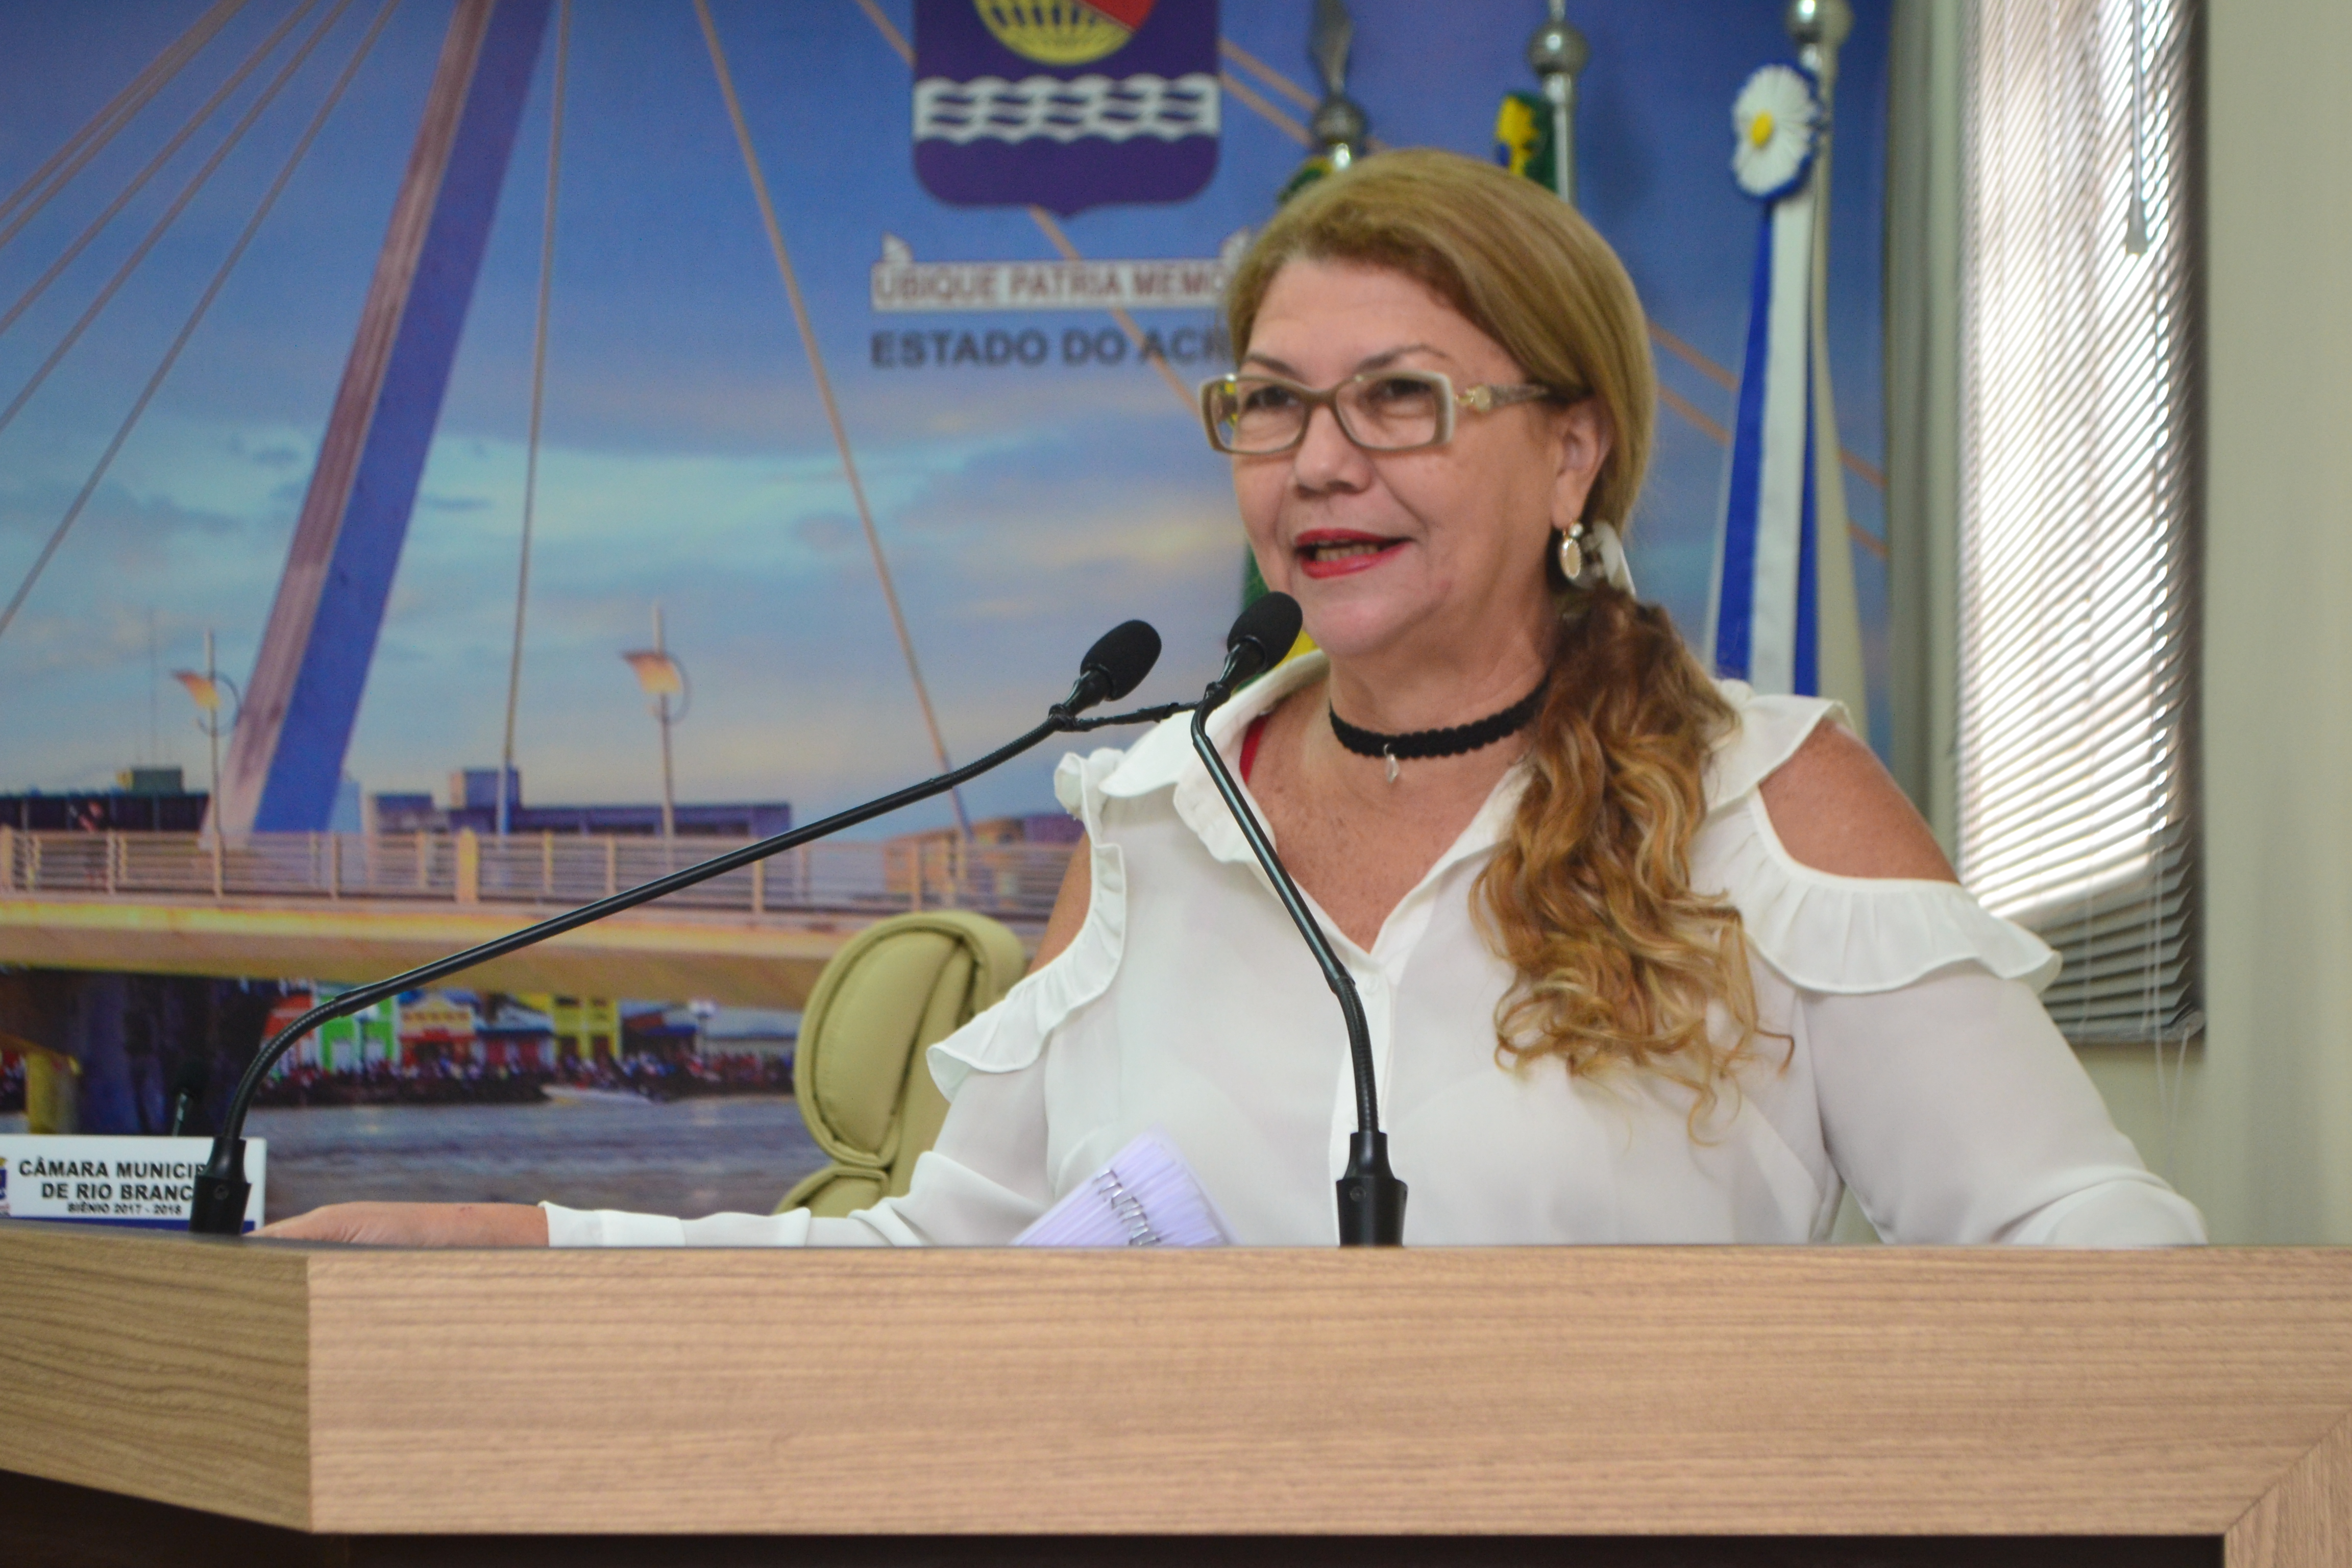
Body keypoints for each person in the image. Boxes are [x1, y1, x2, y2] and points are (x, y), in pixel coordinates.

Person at [267, 149, 2203, 1250]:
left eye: (1400, 400)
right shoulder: (1151, 824)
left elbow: (2079, 1240)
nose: (1318, 459)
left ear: (1573, 451)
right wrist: (525, 1243)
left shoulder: (1769, 801)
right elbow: (940, 1264)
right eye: (1271, 405)